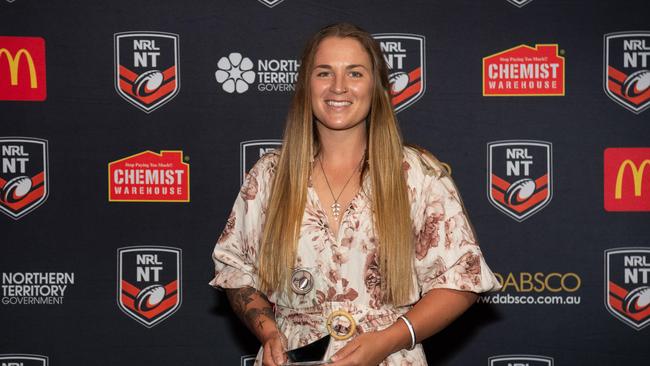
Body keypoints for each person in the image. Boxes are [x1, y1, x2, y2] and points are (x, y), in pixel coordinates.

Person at [210, 23, 500, 366]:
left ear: (376, 87)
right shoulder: (270, 176)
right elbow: (235, 271)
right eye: (323, 73)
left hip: (389, 356)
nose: (338, 87)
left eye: (355, 73)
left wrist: (390, 339)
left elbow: (461, 279)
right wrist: (269, 332)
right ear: (306, 85)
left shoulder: (417, 175)